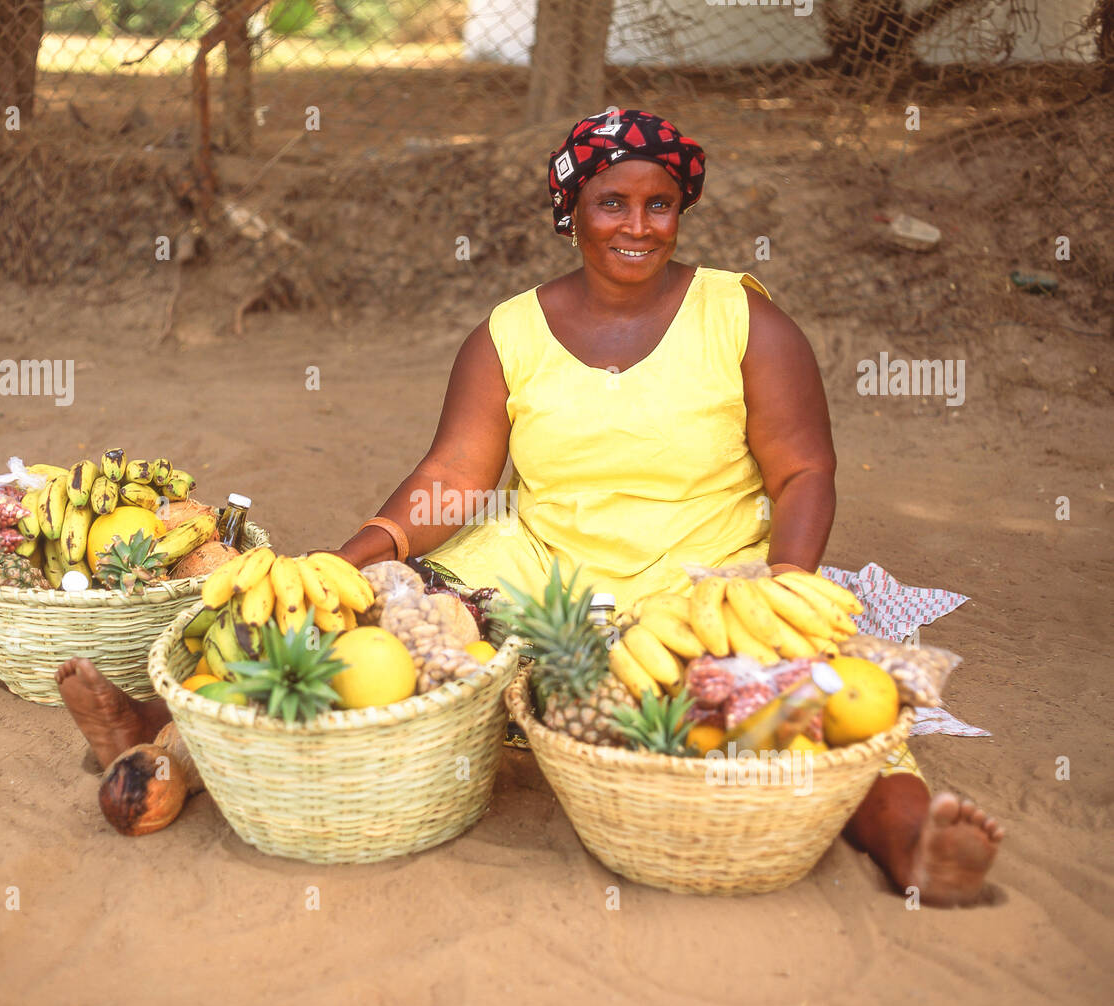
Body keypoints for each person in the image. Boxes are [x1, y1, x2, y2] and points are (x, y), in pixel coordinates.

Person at [59, 109, 1002, 905]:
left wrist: (780, 591)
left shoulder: (745, 320)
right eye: (613, 202)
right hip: (537, 569)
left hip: (709, 577)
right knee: (366, 642)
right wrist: (357, 553)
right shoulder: (510, 332)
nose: (639, 225)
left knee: (820, 704)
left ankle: (912, 843)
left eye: (660, 204)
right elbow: (454, 473)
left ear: (682, 211)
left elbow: (804, 471)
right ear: (573, 211)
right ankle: (163, 742)